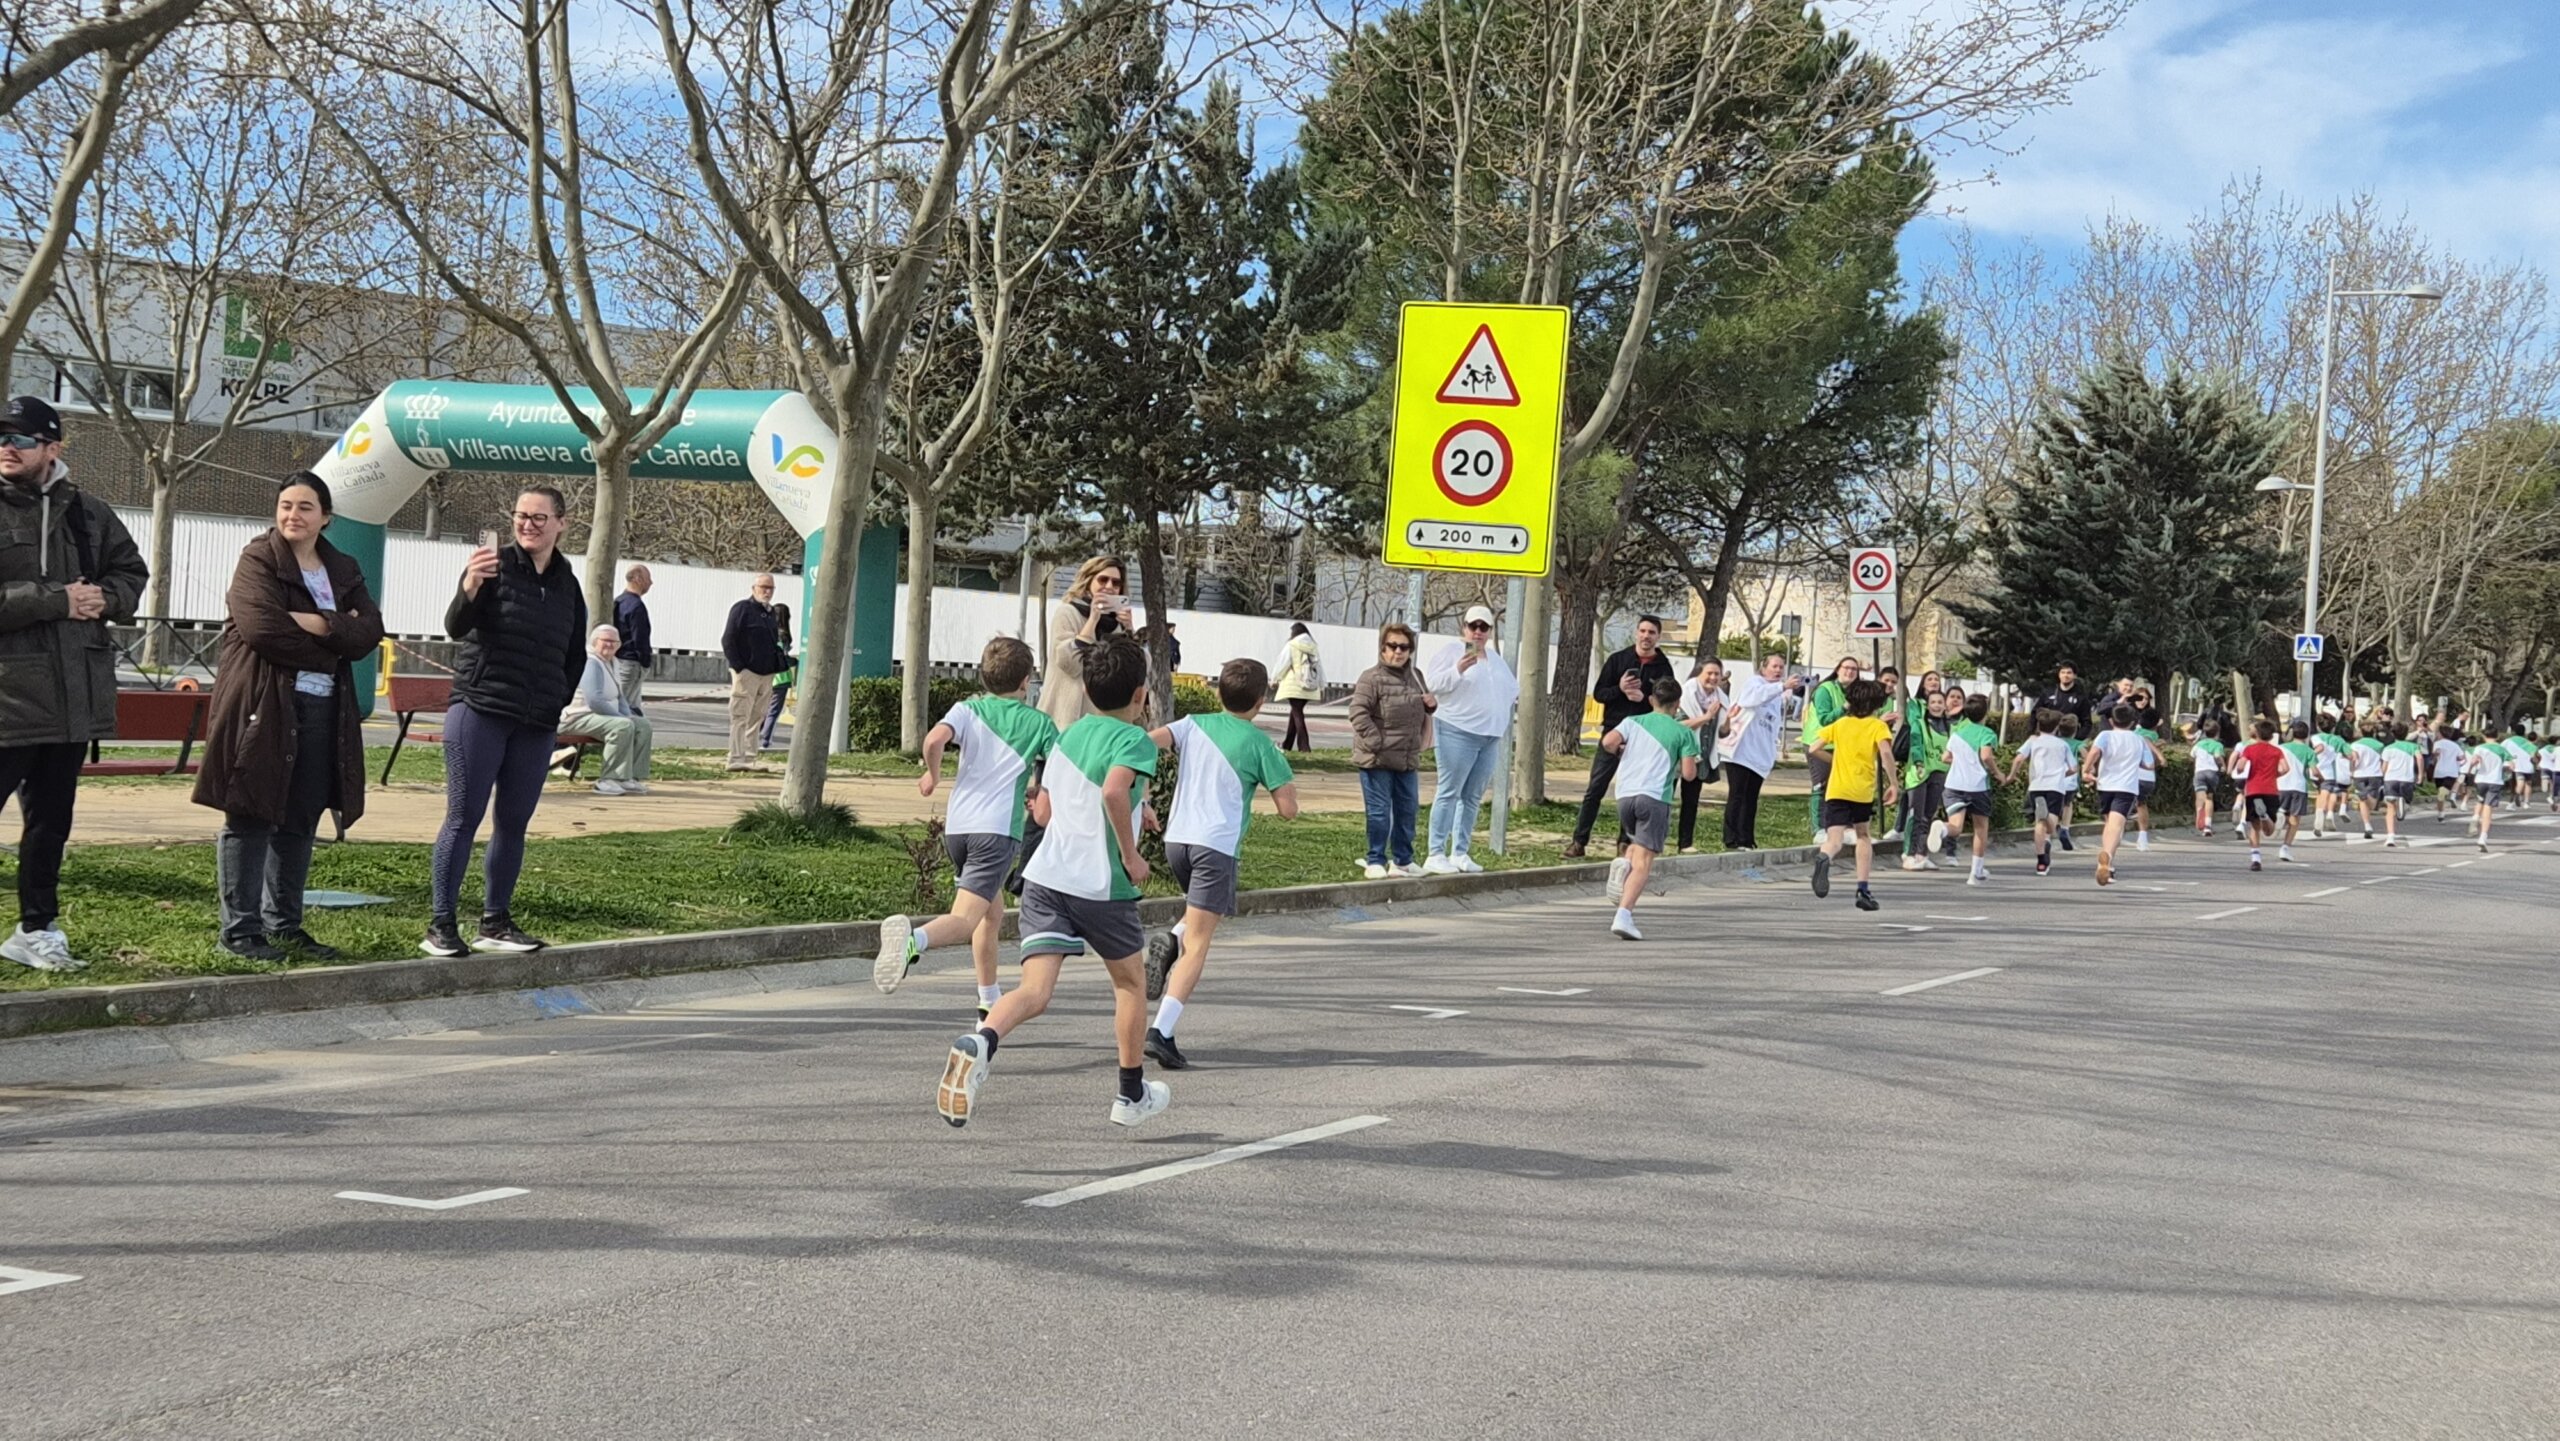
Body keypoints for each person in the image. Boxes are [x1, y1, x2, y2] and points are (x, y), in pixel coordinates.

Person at [935, 632, 1167, 1129]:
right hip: (1102, 886)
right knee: (1130, 985)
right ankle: (1130, 1095)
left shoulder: (1068, 736)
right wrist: (1131, 856)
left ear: (1084, 692)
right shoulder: (1135, 740)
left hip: (1044, 881)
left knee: (1035, 992)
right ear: (1140, 696)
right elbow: (1112, 791)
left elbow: (1043, 810)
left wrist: (1137, 810)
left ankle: (981, 1041)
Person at [191, 473, 382, 961]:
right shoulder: (258, 558)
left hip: (323, 711)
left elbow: (369, 634)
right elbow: (263, 629)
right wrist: (335, 639)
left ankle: (285, 924)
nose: (292, 515)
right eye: (285, 505)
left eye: (304, 507)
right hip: (264, 705)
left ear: (326, 517)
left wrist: (317, 623)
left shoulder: (343, 567)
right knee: (252, 811)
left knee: (301, 816)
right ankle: (241, 930)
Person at [0, 394, 146, 973]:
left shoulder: (89, 512)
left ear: (53, 448)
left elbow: (132, 575)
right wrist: (54, 599)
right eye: (2, 437)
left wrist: (103, 600)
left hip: (70, 701)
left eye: (22, 439)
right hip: (6, 700)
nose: (7, 447)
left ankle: (36, 928)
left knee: (50, 826)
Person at [424, 486, 586, 957]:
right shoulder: (491, 568)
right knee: (463, 816)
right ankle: (441, 924)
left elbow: (573, 654)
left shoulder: (567, 583)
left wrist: (555, 699)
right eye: (521, 516)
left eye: (539, 518)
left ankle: (495, 921)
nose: (528, 525)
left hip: (535, 720)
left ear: (561, 523)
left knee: (513, 822)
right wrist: (470, 586)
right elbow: (455, 626)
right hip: (481, 709)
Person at [878, 636, 1057, 1020]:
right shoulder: (1039, 722)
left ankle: (988, 1000)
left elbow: (933, 739)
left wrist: (932, 773)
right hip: (996, 833)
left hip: (958, 829)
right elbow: (1059, 770)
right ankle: (912, 941)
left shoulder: (965, 709)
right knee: (964, 920)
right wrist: (1041, 795)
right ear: (1026, 681)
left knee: (991, 915)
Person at [1138, 658, 1300, 1067]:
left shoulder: (1192, 724)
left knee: (1203, 916)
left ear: (1218, 693)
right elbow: (1288, 809)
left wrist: (1140, 795)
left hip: (1178, 842)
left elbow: (1144, 743)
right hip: (1217, 846)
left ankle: (1172, 938)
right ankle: (1162, 1030)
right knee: (1200, 943)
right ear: (1261, 702)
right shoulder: (1260, 744)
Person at [1597, 678, 1699, 940]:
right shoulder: (1683, 732)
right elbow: (1688, 774)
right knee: (1645, 862)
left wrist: (1622, 751)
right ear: (1677, 705)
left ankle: (1623, 862)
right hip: (1654, 796)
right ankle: (1624, 915)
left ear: (1652, 700)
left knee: (1635, 844)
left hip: (1625, 795)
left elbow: (1608, 742)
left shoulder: (1633, 722)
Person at [1566, 615, 1676, 858]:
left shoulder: (1663, 667)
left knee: (1633, 791)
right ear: (1636, 633)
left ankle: (1625, 842)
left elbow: (1666, 702)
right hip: (1614, 732)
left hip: (1644, 737)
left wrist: (1645, 698)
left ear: (1658, 637)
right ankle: (1579, 841)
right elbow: (1599, 694)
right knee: (1595, 788)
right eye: (1643, 631)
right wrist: (1621, 690)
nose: (1646, 636)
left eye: (1652, 633)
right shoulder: (1619, 660)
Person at [1421, 604, 1517, 872]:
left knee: (1472, 796)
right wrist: (1458, 670)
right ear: (1463, 627)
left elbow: (1512, 690)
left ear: (1489, 631)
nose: (1477, 632)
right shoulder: (1451, 652)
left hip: (1489, 738)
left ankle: (1460, 852)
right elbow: (1434, 684)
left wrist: (1496, 715)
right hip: (1456, 731)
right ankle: (1435, 852)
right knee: (1449, 790)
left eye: (1483, 627)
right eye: (1472, 626)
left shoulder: (1496, 660)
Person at [1348, 621, 1434, 878]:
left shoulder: (1416, 677)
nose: (1398, 652)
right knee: (1379, 812)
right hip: (1377, 759)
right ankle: (1375, 859)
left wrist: (1430, 705)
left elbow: (1419, 708)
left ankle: (1403, 860)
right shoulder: (1371, 678)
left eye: (1404, 647)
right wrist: (1376, 741)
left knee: (1408, 810)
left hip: (1407, 758)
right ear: (1382, 649)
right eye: (1392, 646)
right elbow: (1357, 712)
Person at [1808, 677, 1895, 912]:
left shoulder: (1841, 724)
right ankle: (1863, 889)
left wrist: (1834, 759)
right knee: (1863, 836)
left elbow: (1812, 748)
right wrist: (1894, 783)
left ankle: (1824, 857)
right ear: (1876, 704)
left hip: (1836, 789)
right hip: (1861, 791)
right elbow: (1886, 754)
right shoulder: (1878, 726)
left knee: (1834, 839)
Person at [1719, 652, 1799, 850]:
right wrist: (1782, 686)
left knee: (1751, 797)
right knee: (1737, 795)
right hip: (1740, 752)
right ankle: (1731, 839)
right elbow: (1750, 700)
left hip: (1759, 755)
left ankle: (1747, 838)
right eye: (1774, 666)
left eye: (1781, 667)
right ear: (1763, 668)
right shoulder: (1754, 683)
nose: (1778, 670)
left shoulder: (1777, 695)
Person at [1040, 555, 1131, 730]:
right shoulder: (1067, 613)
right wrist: (1092, 620)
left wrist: (1129, 631)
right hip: (1061, 721)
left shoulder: (1116, 626)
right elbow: (1070, 663)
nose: (1109, 587)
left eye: (1116, 583)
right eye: (1103, 580)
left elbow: (1129, 674)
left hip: (1096, 726)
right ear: (1088, 581)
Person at [567, 625, 655, 795]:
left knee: (643, 725)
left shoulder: (613, 662)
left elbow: (619, 696)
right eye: (605, 641)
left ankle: (629, 777)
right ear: (594, 642)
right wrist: (621, 718)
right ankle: (608, 779)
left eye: (614, 641)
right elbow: (595, 700)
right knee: (622, 726)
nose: (610, 645)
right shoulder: (591, 662)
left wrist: (627, 715)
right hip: (579, 716)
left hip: (602, 717)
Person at [2081, 704, 2160, 887]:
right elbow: (2149, 764)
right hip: (2126, 787)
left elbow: (2094, 752)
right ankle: (2107, 857)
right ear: (2133, 722)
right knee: (2117, 825)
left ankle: (2108, 863)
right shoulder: (2138, 740)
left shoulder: (2105, 735)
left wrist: (2085, 770)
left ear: (2111, 720)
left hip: (2105, 784)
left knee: (2109, 824)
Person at [721, 574, 787, 770]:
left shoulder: (770, 613)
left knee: (757, 716)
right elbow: (728, 639)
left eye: (770, 588)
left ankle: (750, 757)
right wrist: (739, 668)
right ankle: (736, 757)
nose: (767, 591)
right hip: (747, 672)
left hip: (767, 674)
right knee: (740, 715)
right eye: (763, 587)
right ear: (754, 588)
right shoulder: (742, 608)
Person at [1940, 693, 2000, 885]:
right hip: (1977, 785)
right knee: (1980, 828)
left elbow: (1945, 757)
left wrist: (1961, 761)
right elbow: (1986, 756)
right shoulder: (1987, 733)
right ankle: (1976, 872)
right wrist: (1997, 773)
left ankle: (1942, 829)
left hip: (1953, 784)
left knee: (1955, 826)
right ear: (1986, 713)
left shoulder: (1957, 733)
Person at [2005, 708, 2072, 877]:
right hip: (2055, 786)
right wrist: (2062, 774)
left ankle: (2041, 861)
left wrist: (2012, 775)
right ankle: (2047, 819)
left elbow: (2019, 758)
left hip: (2036, 785)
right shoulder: (2062, 744)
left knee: (2039, 824)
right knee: (2052, 824)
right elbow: (2074, 767)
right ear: (2057, 727)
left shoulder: (2033, 740)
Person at [1799, 655, 1861, 832]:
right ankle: (1818, 828)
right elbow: (1825, 719)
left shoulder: (1851, 691)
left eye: (1853, 669)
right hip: (1818, 744)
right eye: (1846, 668)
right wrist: (1845, 708)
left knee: (1842, 786)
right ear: (1837, 669)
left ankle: (1839, 826)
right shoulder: (1825, 690)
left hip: (1840, 745)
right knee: (1822, 784)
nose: (1849, 672)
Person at [1674, 657, 1728, 852]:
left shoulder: (1721, 698)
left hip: (1699, 755)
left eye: (1717, 674)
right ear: (1699, 673)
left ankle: (1685, 843)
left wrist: (1728, 720)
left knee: (1691, 800)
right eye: (1709, 673)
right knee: (1664, 797)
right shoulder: (1685, 694)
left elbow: (1722, 732)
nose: (1713, 678)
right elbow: (1678, 725)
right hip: (1676, 753)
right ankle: (1654, 840)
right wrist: (1705, 717)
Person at [1898, 686, 1954, 871]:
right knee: (1916, 814)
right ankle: (1909, 853)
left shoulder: (1949, 726)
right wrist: (1920, 762)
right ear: (1927, 705)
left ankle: (1922, 854)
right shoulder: (1919, 723)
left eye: (1940, 702)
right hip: (1919, 774)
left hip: (1939, 772)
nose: (1937, 706)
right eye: (1933, 702)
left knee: (1928, 816)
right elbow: (1915, 743)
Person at [2230, 719, 2292, 872]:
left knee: (2254, 826)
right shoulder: (2277, 751)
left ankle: (2256, 858)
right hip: (2270, 789)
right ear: (2271, 736)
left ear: (2256, 734)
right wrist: (2274, 775)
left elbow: (2240, 765)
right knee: (2269, 831)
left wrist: (2239, 772)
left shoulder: (2250, 749)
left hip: (2253, 789)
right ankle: (2265, 816)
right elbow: (2285, 769)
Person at [1274, 621, 1322, 752]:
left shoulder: (1292, 645)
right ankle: (1287, 744)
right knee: (1295, 714)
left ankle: (1304, 746)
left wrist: (1274, 678)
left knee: (1297, 714)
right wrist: (1322, 684)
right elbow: (1319, 668)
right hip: (1309, 686)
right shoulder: (1313, 647)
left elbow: (1282, 663)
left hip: (1294, 685)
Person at [611, 564, 653, 712]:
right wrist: (645, 662)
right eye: (648, 579)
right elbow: (640, 638)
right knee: (626, 706)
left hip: (617, 659)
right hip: (631, 662)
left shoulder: (618, 602)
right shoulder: (636, 606)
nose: (651, 583)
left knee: (623, 703)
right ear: (638, 579)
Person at [2378, 722, 2424, 848]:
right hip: (2407, 779)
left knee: (2390, 808)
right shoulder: (2413, 746)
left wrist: (2381, 777)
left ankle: (2390, 837)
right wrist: (2420, 774)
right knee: (2406, 800)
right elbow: (2419, 758)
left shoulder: (2388, 749)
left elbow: (2384, 766)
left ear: (2393, 734)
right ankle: (2404, 804)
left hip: (2390, 779)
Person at [2464, 727, 2509, 852]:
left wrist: (2468, 771)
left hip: (2481, 780)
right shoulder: (2502, 749)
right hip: (2495, 781)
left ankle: (2475, 817)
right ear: (2497, 736)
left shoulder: (2479, 748)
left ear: (2483, 736)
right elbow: (2511, 765)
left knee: (2480, 801)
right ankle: (2483, 837)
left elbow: (2474, 761)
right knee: (2488, 807)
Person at [2276, 720, 2316, 861]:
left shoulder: (2281, 748)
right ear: (2307, 735)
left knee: (2283, 810)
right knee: (2295, 819)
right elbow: (2314, 771)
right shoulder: (2309, 751)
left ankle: (2279, 814)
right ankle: (2285, 848)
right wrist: (2320, 778)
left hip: (2281, 784)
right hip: (2299, 786)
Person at [760, 600, 796, 749]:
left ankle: (755, 732)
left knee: (763, 708)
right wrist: (795, 662)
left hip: (766, 676)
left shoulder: (767, 632)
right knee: (774, 711)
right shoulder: (784, 635)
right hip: (781, 678)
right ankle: (765, 740)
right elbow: (784, 656)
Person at [2189, 720, 2228, 838]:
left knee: (2199, 797)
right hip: (2212, 773)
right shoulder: (2218, 745)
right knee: (2209, 798)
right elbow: (2217, 756)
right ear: (2217, 733)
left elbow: (2192, 756)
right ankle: (2207, 826)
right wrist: (2223, 766)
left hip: (2199, 772)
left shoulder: (2198, 744)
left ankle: (2199, 811)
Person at [2347, 723, 2386, 839]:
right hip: (2375, 774)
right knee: (2373, 804)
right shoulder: (2380, 745)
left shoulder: (2354, 745)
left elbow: (2353, 760)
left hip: (2359, 774)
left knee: (2363, 801)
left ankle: (2367, 825)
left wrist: (2351, 771)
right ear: (2373, 733)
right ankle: (2364, 797)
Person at [2035, 664, 2095, 731]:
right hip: (2049, 737)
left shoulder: (2081, 698)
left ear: (2074, 675)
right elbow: (2035, 713)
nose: (2065, 675)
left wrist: (2076, 738)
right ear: (2059, 675)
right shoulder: (2048, 693)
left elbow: (2087, 723)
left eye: (2069, 673)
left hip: (2069, 738)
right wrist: (2034, 733)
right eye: (2063, 672)